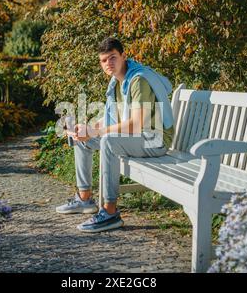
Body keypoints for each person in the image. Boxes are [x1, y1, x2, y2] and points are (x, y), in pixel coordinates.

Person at [55, 37, 175, 232]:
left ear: (123, 56)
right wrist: (88, 128)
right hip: (137, 139)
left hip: (155, 140)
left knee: (108, 141)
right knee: (82, 140)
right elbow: (112, 119)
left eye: (112, 58)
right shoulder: (118, 82)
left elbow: (135, 124)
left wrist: (96, 131)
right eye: (104, 60)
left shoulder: (138, 80)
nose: (108, 64)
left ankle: (110, 213)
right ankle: (85, 199)